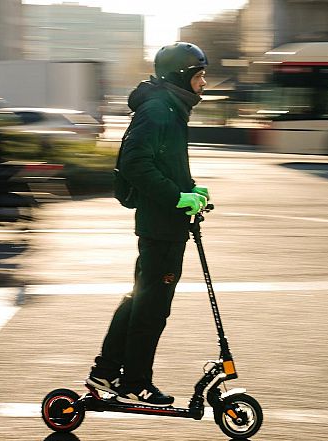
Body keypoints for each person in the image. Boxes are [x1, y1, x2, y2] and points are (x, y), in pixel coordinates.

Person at [86, 42, 211, 407]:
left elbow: (161, 162)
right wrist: (177, 197)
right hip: (160, 225)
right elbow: (136, 165)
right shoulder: (158, 109)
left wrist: (189, 188)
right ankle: (134, 382)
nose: (204, 83)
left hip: (164, 223)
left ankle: (106, 372)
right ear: (182, 76)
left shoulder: (168, 108)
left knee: (141, 299)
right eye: (200, 76)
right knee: (152, 307)